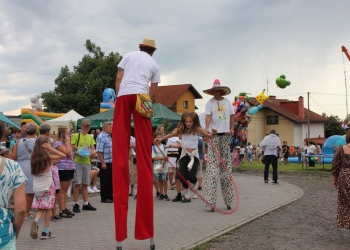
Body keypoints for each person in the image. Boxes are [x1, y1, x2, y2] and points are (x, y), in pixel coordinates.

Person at [112, 37, 160, 249]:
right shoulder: (154, 64)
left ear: (141, 47)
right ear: (152, 51)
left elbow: (119, 78)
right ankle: (145, 233)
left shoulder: (129, 55)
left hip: (123, 96)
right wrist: (149, 104)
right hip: (141, 96)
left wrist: (118, 98)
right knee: (143, 147)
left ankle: (121, 235)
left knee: (121, 147)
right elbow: (154, 91)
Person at [157, 112, 213, 203]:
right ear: (183, 121)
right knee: (181, 176)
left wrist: (213, 134)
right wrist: (160, 139)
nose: (188, 123)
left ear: (194, 122)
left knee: (191, 176)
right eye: (186, 121)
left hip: (194, 156)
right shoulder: (181, 130)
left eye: (190, 121)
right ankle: (186, 195)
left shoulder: (197, 129)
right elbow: (171, 135)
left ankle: (195, 183)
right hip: (184, 155)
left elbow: (209, 136)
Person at [29, 136, 65, 240]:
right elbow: (62, 155)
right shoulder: (48, 157)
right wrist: (50, 149)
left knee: (41, 207)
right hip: (48, 185)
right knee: (49, 208)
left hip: (37, 185)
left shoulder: (33, 157)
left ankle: (36, 221)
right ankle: (46, 231)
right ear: (45, 145)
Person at [0, 122, 27, 249]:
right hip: (4, 233)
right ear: (2, 138)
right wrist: (15, 232)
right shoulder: (12, 166)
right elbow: (21, 208)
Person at [11, 122, 37, 219]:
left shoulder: (19, 141)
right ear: (35, 131)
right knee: (29, 191)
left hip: (19, 166)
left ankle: (19, 210)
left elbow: (13, 156)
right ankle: (26, 212)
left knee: (20, 189)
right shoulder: (36, 142)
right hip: (31, 166)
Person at [71, 119, 97, 213]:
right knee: (77, 183)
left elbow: (93, 149)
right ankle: (76, 203)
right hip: (78, 161)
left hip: (87, 162)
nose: (86, 129)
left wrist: (93, 152)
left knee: (86, 183)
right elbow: (73, 149)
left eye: (88, 128)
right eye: (85, 128)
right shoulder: (75, 136)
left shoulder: (90, 137)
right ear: (81, 127)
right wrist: (79, 153)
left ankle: (86, 203)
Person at [53, 126, 75, 218]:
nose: (69, 135)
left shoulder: (66, 143)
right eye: (68, 133)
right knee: (62, 189)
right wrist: (68, 142)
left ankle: (64, 208)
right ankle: (62, 209)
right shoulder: (58, 143)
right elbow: (68, 153)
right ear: (63, 134)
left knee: (66, 189)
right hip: (62, 168)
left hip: (69, 167)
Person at [331, 129, 350, 229]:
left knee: (345, 202)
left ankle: (347, 223)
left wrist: (335, 179)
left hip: (345, 176)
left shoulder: (342, 149)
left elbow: (336, 165)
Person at [96, 121, 113, 203]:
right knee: (105, 180)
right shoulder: (101, 137)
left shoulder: (109, 136)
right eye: (110, 128)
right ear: (105, 128)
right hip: (104, 161)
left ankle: (110, 196)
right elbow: (99, 151)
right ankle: (104, 197)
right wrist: (102, 162)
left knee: (110, 180)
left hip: (110, 161)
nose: (111, 129)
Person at [152, 132, 170, 201]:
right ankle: (161, 193)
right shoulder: (153, 147)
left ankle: (165, 194)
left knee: (165, 180)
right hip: (156, 166)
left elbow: (166, 157)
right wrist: (162, 157)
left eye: (160, 137)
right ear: (155, 138)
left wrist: (162, 163)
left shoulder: (164, 146)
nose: (159, 138)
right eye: (158, 137)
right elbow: (153, 158)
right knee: (159, 180)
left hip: (164, 166)